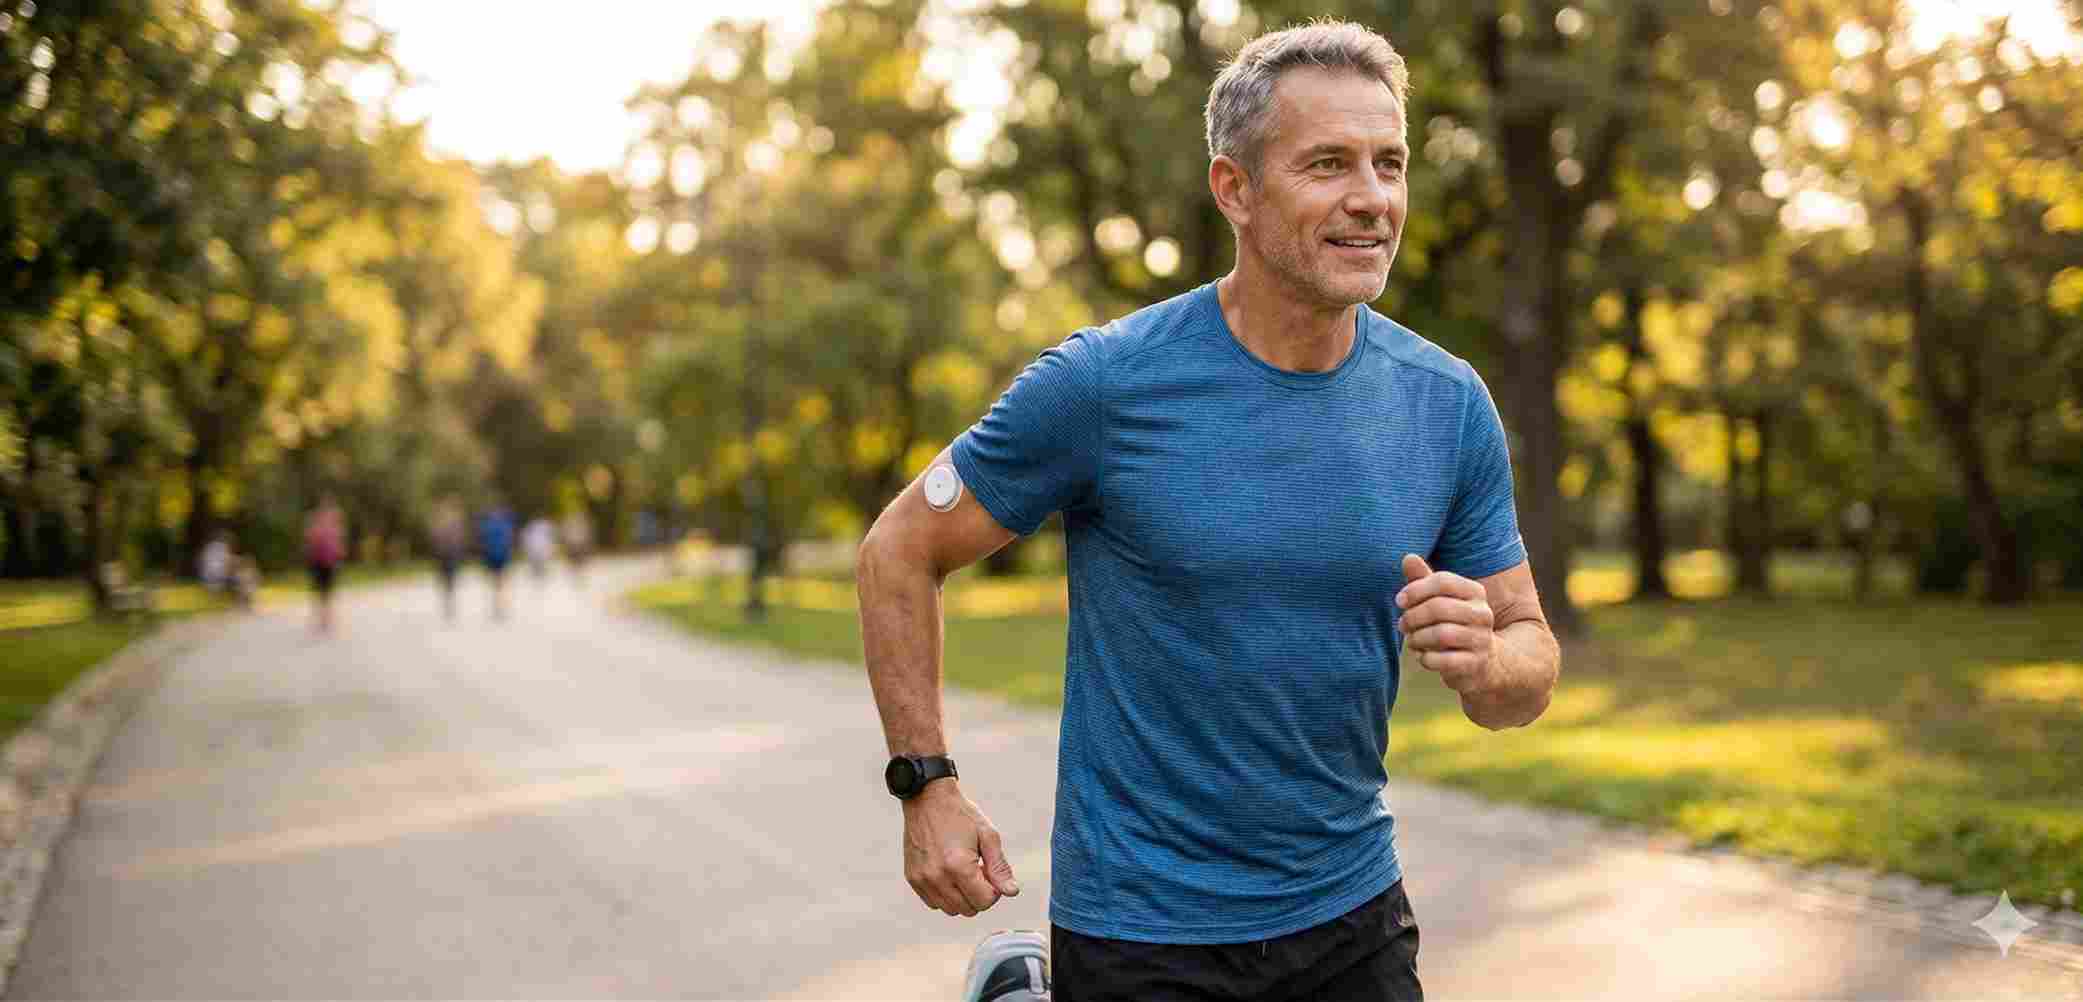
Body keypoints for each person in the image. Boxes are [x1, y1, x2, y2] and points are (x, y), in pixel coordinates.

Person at [856, 22, 1561, 1002]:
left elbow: (1526, 663)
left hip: (1351, 916)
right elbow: (899, 547)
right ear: (1234, 189)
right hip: (1142, 933)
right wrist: (924, 784)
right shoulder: (1105, 385)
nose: (1372, 197)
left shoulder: (1444, 403)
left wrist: (1488, 662)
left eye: (1389, 163)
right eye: (1327, 164)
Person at [302, 497, 347, 635]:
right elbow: (337, 545)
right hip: (321, 563)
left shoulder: (324, 524)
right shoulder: (328, 525)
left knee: (324, 592)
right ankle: (324, 620)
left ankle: (325, 620)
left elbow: (337, 545)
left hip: (325, 563)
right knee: (324, 592)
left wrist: (339, 557)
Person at [429, 498, 470, 622]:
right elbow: (460, 538)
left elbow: (434, 537)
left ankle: (448, 601)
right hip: (451, 554)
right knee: (450, 579)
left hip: (444, 554)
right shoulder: (455, 522)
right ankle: (449, 601)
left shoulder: (440, 522)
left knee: (446, 579)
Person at [478, 501, 517, 620]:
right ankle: (501, 604)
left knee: (495, 581)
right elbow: (509, 540)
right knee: (502, 581)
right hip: (502, 556)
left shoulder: (487, 525)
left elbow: (483, 541)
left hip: (491, 556)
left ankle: (497, 604)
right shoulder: (505, 524)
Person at [560, 509, 594, 585]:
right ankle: (575, 576)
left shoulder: (580, 525)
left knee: (579, 562)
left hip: (577, 545)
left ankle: (578, 576)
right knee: (575, 562)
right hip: (573, 545)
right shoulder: (573, 524)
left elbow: (586, 535)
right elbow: (566, 534)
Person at [522, 515, 558, 583]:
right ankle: (537, 575)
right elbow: (527, 537)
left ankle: (540, 575)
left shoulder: (545, 525)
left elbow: (551, 537)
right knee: (536, 562)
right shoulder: (533, 525)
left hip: (541, 547)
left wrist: (551, 546)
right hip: (535, 546)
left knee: (541, 562)